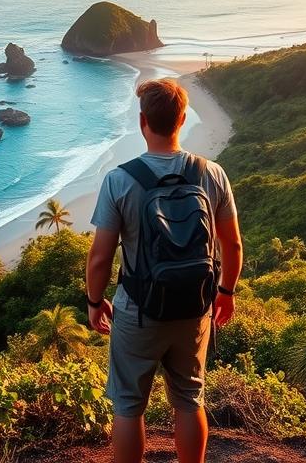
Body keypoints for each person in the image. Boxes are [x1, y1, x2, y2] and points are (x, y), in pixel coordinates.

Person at [86, 78, 242, 463]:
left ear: (143, 121)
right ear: (183, 119)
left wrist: (94, 301)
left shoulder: (119, 180)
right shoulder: (213, 173)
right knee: (190, 398)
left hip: (139, 309)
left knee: (128, 405)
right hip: (194, 307)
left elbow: (100, 257)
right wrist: (226, 293)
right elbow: (232, 244)